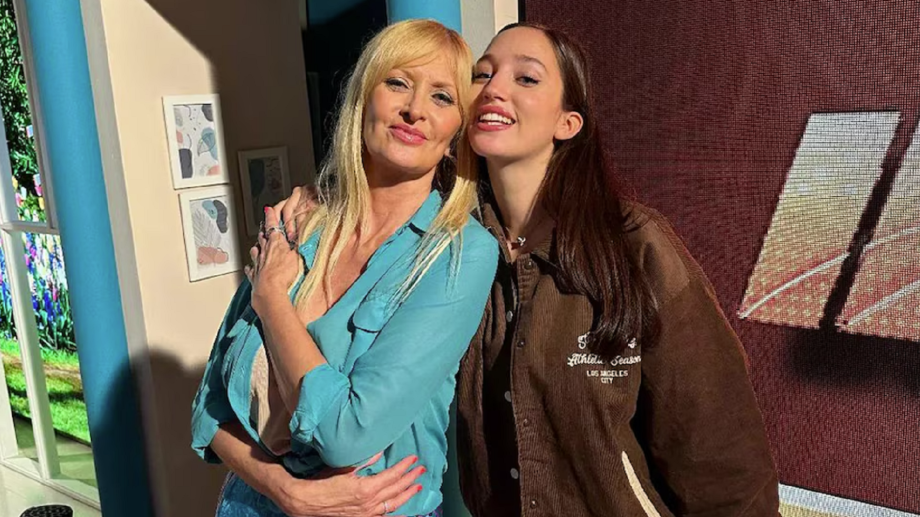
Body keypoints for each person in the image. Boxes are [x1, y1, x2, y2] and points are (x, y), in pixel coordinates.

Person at [274, 22, 781, 517]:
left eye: (526, 78)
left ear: (567, 123)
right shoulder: (443, 250)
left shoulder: (635, 247)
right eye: (482, 74)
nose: (494, 88)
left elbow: (722, 456)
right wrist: (318, 203)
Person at [190, 19, 498, 517]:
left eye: (441, 97)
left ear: (455, 134)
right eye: (397, 82)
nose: (414, 109)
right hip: (248, 505)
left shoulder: (460, 253)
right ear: (364, 99)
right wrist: (283, 489)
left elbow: (345, 435)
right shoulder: (299, 222)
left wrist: (271, 300)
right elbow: (208, 409)